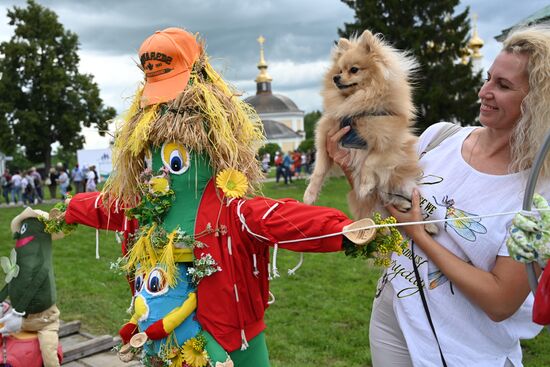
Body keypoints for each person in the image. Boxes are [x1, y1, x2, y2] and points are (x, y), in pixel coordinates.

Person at [328, 25, 550, 366]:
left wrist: (419, 234)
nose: (483, 91)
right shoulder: (439, 138)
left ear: (538, 101)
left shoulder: (538, 193)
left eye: (503, 86)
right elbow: (384, 205)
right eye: (489, 78)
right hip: (393, 318)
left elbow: (501, 301)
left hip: (463, 348)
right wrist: (352, 168)